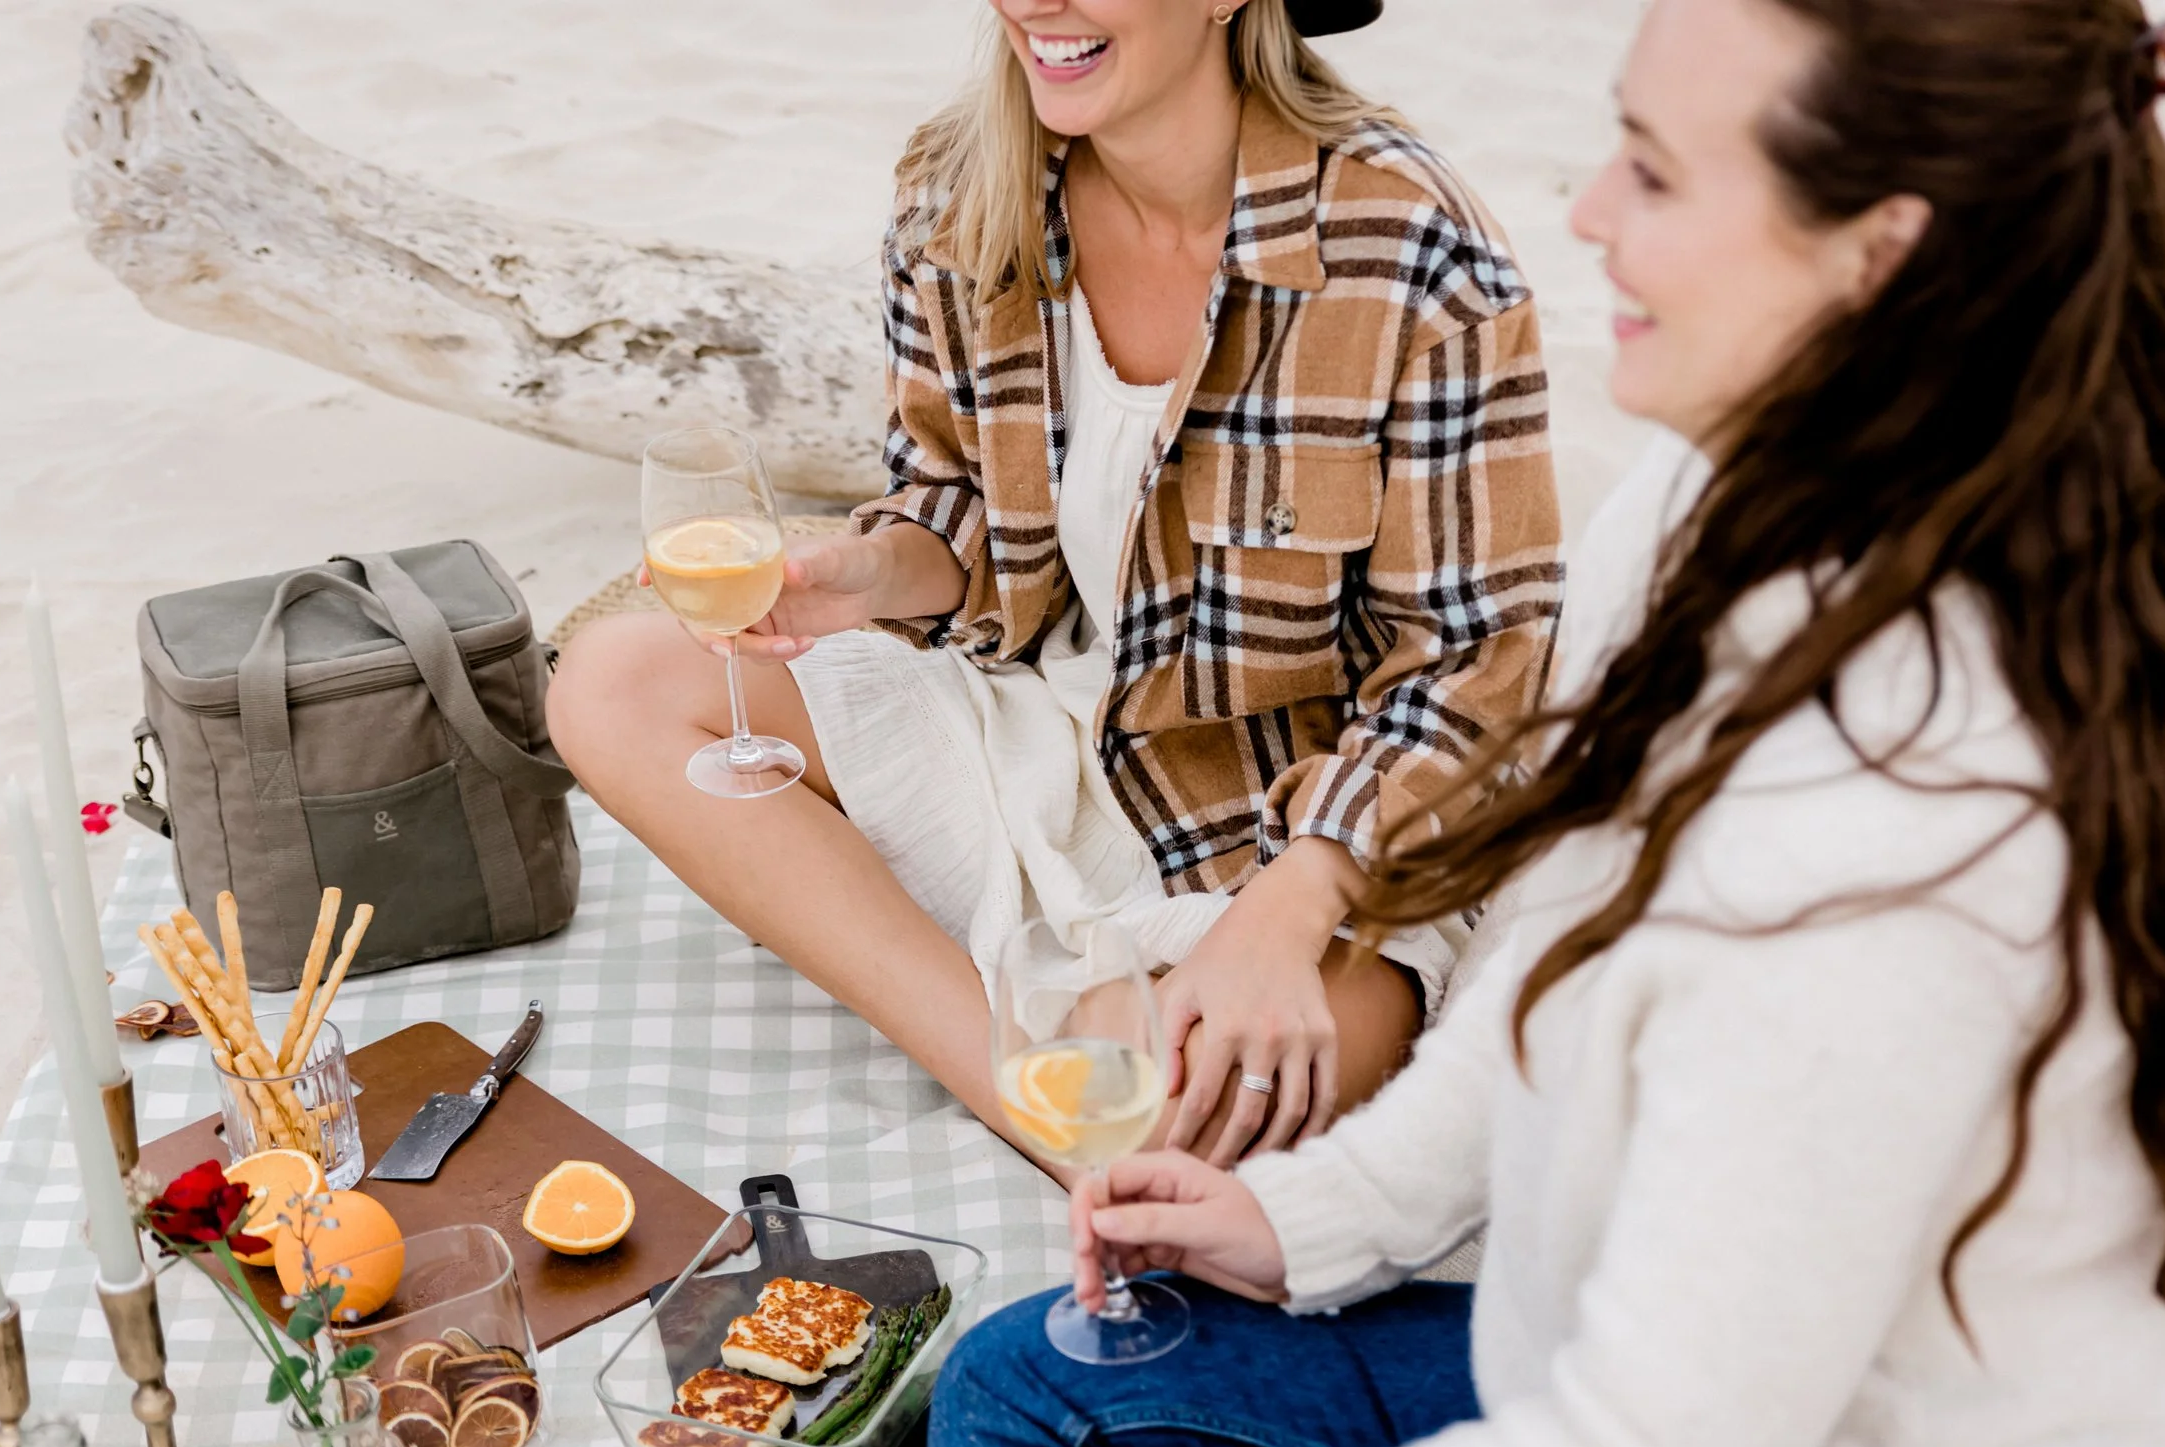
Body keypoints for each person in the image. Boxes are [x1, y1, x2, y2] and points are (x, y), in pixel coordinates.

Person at [852, 0, 2165, 1447]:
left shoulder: (1911, 831)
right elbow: (1562, 944)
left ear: (1876, 254)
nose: (1586, 211)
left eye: (1656, 171)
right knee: (1023, 1402)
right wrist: (1325, 1211)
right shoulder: (1723, 497)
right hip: (1645, 1393)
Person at [548, 0, 1563, 1173]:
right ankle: (1015, 1081)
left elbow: (1477, 668)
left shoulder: (1413, 252)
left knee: (1204, 1121)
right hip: (1042, 729)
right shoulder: (958, 188)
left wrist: (1283, 916)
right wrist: (869, 571)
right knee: (609, 681)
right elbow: (956, 500)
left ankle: (1081, 1055)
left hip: (1311, 823)